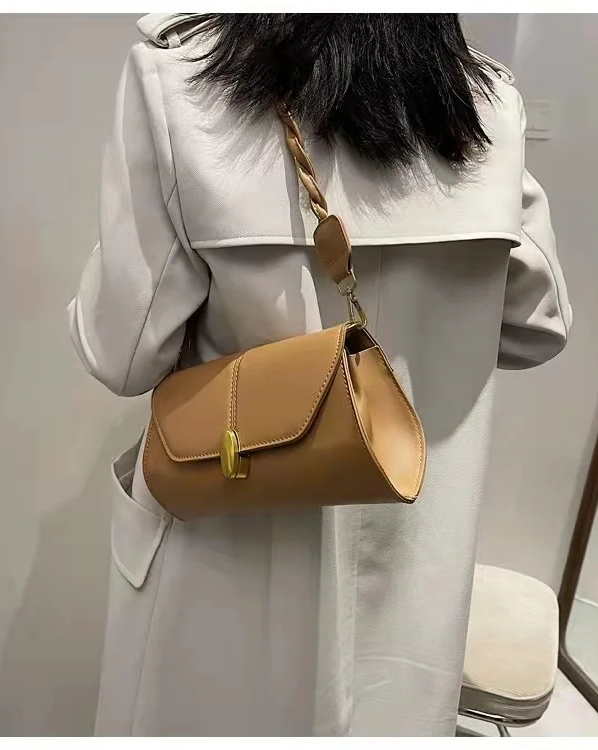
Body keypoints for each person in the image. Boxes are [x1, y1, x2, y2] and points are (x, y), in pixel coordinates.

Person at [68, 13, 572, 737]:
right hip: (413, 594)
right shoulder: (485, 102)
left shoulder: (180, 82)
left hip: (223, 568)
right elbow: (537, 325)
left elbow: (121, 353)